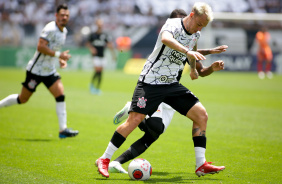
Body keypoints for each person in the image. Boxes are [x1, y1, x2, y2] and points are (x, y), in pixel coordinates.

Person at [96, 2, 225, 178]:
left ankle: (201, 164)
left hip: (172, 85)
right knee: (135, 120)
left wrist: (196, 69)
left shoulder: (195, 35)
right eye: (199, 24)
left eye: (203, 26)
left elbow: (193, 56)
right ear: (192, 15)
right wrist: (188, 52)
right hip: (150, 82)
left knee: (201, 115)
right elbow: (166, 39)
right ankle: (104, 159)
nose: (199, 29)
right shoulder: (172, 24)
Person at [0, 4, 79, 139]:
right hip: (36, 71)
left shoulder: (64, 31)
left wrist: (60, 60)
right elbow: (41, 47)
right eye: (62, 15)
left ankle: (63, 130)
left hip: (49, 71)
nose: (64, 17)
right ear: (56, 15)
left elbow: (54, 50)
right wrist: (58, 55)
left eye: (66, 15)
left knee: (60, 95)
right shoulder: (50, 28)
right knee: (23, 99)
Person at [86, 19, 116, 95]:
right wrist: (92, 49)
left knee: (100, 72)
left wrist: (113, 55)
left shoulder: (105, 35)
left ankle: (97, 88)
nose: (100, 26)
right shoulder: (93, 35)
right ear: (97, 25)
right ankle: (92, 85)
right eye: (99, 25)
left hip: (102, 56)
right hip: (95, 56)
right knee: (97, 70)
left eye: (101, 25)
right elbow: (88, 43)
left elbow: (109, 45)